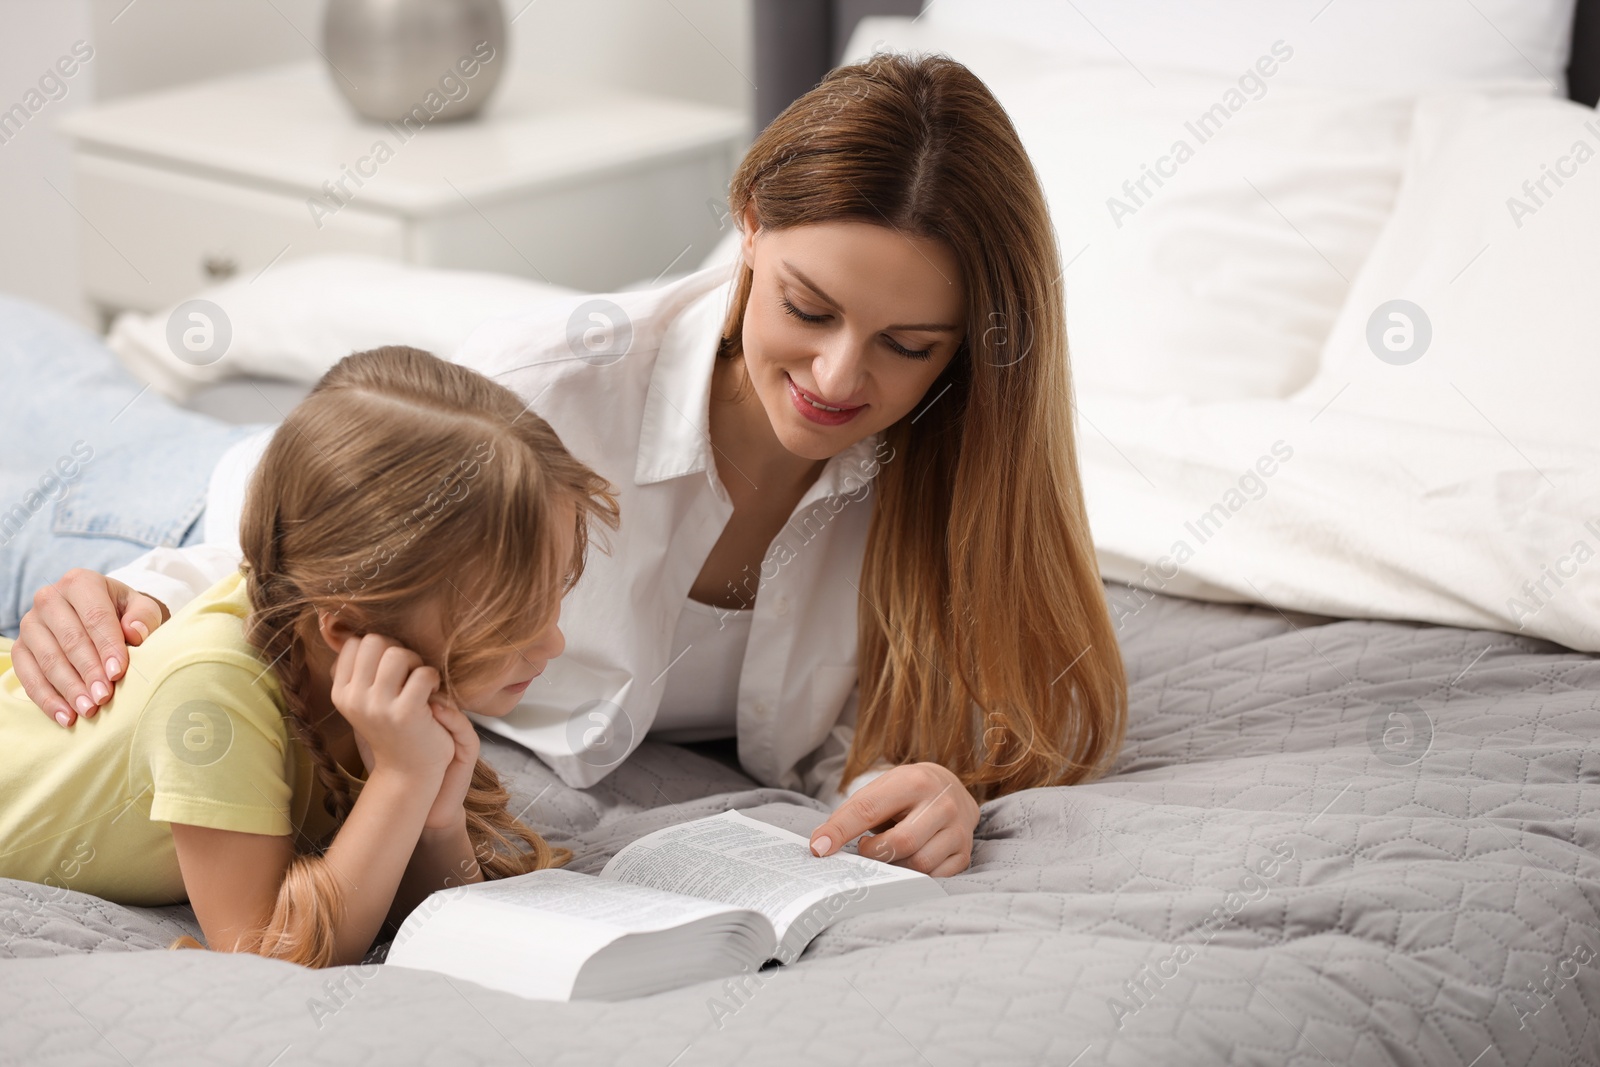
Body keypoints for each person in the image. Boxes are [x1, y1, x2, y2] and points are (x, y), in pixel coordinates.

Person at [5, 53, 1128, 879]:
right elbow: (301, 504)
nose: (840, 376)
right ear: (748, 226)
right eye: (808, 307)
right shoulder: (557, 386)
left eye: (907, 345)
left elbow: (919, 716)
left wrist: (936, 784)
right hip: (171, 540)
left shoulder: (947, 477)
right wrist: (143, 587)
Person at [0, 346, 618, 967]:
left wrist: (433, 817)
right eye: (511, 619)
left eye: (552, 601)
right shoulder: (214, 697)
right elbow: (269, 950)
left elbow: (432, 908)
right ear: (347, 628)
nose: (552, 644)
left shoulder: (368, 668)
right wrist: (401, 781)